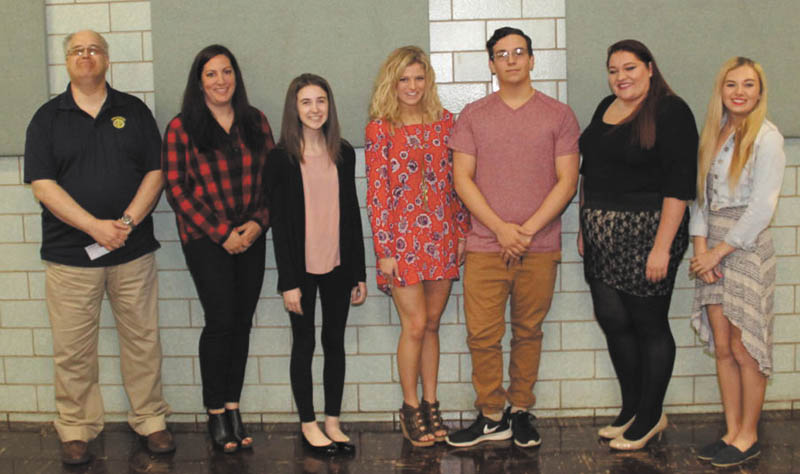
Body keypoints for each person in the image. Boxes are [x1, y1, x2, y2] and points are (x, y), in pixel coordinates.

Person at [24, 30, 174, 465]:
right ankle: (76, 428)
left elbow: (157, 171)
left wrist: (124, 223)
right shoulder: (47, 118)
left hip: (132, 251)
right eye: (77, 51)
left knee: (143, 341)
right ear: (66, 61)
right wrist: (94, 227)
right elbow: (42, 185)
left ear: (107, 59)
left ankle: (149, 419)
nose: (85, 56)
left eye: (93, 50)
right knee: (73, 350)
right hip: (70, 258)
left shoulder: (134, 110)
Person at [446, 27, 580, 448]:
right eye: (502, 54)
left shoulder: (559, 115)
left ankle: (520, 410)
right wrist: (501, 229)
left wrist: (526, 230)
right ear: (491, 64)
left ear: (532, 59)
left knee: (528, 331)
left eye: (519, 51)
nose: (511, 59)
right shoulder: (473, 115)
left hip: (538, 247)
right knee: (482, 335)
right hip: (486, 245)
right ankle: (491, 414)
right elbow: (461, 179)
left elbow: (567, 181)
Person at [577, 39, 698, 450]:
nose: (620, 77)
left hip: (649, 237)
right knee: (614, 321)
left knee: (649, 326)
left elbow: (679, 186)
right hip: (601, 237)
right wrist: (583, 226)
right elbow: (589, 172)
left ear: (649, 67)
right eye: (613, 70)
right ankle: (631, 409)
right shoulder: (603, 107)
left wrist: (662, 248)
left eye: (629, 68)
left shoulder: (671, 111)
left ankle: (650, 416)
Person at [162, 44, 274, 453]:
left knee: (242, 322)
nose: (221, 80)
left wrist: (257, 224)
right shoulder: (182, 127)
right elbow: (176, 189)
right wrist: (222, 232)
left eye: (227, 72)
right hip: (207, 240)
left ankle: (233, 405)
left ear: (236, 77)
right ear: (199, 82)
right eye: (211, 74)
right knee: (221, 320)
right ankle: (214, 411)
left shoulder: (256, 121)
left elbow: (272, 182)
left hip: (252, 236)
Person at [365, 46, 470, 447]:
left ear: (428, 81)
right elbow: (377, 193)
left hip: (442, 236)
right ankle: (410, 408)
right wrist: (385, 250)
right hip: (402, 241)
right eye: (403, 79)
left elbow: (458, 183)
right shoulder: (381, 128)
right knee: (413, 325)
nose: (411, 86)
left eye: (418, 78)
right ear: (392, 83)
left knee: (431, 324)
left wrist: (462, 231)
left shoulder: (447, 123)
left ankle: (431, 403)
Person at [689, 57, 784, 468]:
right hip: (710, 247)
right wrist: (699, 254)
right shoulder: (714, 133)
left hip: (744, 248)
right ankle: (730, 431)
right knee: (723, 346)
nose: (739, 92)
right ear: (721, 91)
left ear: (759, 92)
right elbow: (699, 201)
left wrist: (718, 251)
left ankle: (749, 435)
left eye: (748, 85)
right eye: (731, 85)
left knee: (746, 348)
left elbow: (762, 208)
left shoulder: (768, 137)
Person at [266, 74, 367, 457]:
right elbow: (278, 224)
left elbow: (352, 215)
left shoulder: (343, 151)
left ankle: (333, 421)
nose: (314, 109)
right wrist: (287, 281)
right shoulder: (280, 159)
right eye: (306, 102)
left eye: (321, 100)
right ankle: (308, 422)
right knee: (304, 344)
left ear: (330, 105)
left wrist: (358, 272)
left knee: (335, 343)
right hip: (301, 271)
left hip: (339, 265)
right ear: (295, 108)